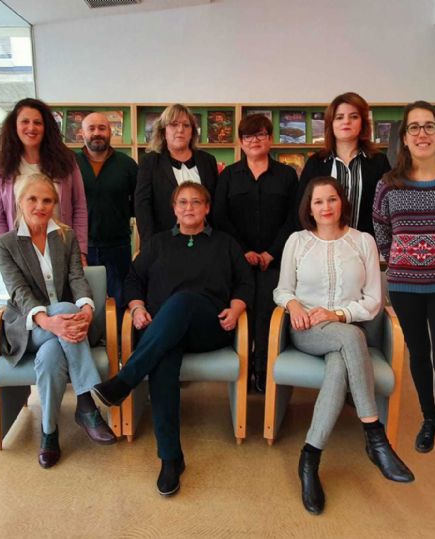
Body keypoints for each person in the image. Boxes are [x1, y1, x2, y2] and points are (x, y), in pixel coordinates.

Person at [93, 181, 253, 496]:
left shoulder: (225, 243)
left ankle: (125, 379)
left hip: (209, 327)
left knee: (182, 301)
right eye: (182, 202)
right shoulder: (157, 244)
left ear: (207, 208)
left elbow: (246, 282)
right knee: (163, 359)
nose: (189, 207)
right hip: (162, 331)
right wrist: (137, 308)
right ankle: (170, 458)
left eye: (196, 202)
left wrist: (236, 309)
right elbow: (132, 280)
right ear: (174, 209)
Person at [274, 176, 414, 515]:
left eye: (332, 199)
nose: (326, 207)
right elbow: (282, 290)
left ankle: (310, 459)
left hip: (347, 326)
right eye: (318, 201)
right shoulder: (297, 241)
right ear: (309, 208)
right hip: (308, 330)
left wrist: (338, 314)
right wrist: (293, 306)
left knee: (340, 363)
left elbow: (373, 301)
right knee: (354, 338)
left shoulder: (363, 241)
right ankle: (375, 437)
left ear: (343, 202)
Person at [372, 101, 435, 466]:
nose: (422, 134)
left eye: (429, 126)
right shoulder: (388, 185)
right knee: (418, 355)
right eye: (414, 127)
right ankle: (428, 419)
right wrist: (401, 259)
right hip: (404, 286)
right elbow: (381, 228)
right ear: (404, 137)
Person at [0, 173, 116, 469]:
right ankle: (86, 403)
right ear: (19, 201)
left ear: (55, 203)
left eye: (47, 200)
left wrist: (87, 309)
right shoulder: (6, 244)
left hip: (67, 328)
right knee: (62, 307)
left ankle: (48, 432)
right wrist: (48, 321)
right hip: (30, 328)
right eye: (33, 199)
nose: (40, 206)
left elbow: (77, 277)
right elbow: (18, 291)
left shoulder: (66, 236)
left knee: (50, 356)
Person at [212, 114, 298, 392]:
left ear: (270, 139)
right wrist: (244, 251)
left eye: (261, 134)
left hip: (276, 261)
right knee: (243, 311)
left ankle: (263, 370)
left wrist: (271, 252)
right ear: (240, 142)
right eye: (248, 136)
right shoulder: (228, 176)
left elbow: (294, 218)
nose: (254, 140)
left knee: (268, 313)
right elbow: (219, 217)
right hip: (238, 260)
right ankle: (243, 369)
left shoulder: (287, 175)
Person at [0, 97, 89, 258]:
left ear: (46, 127)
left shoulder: (66, 161)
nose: (31, 127)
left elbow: (79, 207)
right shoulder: (4, 166)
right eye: (25, 121)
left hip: (62, 249)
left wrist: (81, 252)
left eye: (37, 122)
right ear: (14, 126)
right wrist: (4, 254)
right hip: (21, 254)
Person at [296, 92, 390, 236]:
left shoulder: (379, 161)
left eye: (354, 116)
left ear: (363, 123)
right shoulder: (316, 162)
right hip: (323, 244)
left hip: (366, 244)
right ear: (331, 124)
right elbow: (302, 208)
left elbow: (386, 209)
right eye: (339, 117)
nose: (346, 122)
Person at [76, 111, 138, 318]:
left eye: (102, 128)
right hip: (80, 247)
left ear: (111, 132)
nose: (97, 133)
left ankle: (120, 337)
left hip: (118, 246)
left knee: (120, 298)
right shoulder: (70, 164)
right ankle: (90, 335)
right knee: (83, 299)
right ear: (82, 133)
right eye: (91, 128)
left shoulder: (127, 164)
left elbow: (138, 203)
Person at [134, 104, 218, 246]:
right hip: (164, 242)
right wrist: (149, 245)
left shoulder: (208, 161)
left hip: (205, 240)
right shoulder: (149, 162)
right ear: (163, 131)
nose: (180, 130)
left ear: (192, 132)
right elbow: (142, 206)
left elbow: (215, 203)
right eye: (173, 125)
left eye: (186, 125)